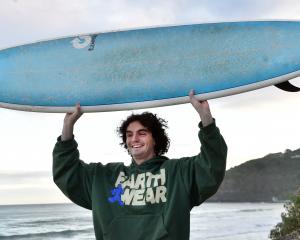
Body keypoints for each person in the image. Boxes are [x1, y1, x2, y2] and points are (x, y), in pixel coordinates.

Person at [52, 90, 227, 240]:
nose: (134, 139)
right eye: (129, 135)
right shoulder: (103, 176)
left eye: (142, 133)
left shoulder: (179, 173)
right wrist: (68, 126)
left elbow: (212, 164)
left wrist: (205, 118)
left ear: (155, 139)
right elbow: (67, 173)